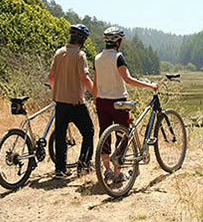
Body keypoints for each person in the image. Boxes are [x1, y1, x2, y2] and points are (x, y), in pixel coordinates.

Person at [93, 26, 158, 182]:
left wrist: (96, 100)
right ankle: (117, 173)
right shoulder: (118, 57)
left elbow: (95, 84)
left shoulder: (97, 58)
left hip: (101, 101)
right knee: (122, 135)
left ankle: (107, 170)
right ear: (118, 42)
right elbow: (127, 80)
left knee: (105, 135)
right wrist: (150, 85)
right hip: (118, 102)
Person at [48, 24, 95, 179]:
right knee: (88, 132)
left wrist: (56, 90)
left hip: (60, 101)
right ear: (82, 39)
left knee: (60, 135)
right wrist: (96, 93)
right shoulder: (80, 55)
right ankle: (83, 167)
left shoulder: (59, 52)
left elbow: (51, 77)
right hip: (75, 102)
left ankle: (60, 170)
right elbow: (84, 78)